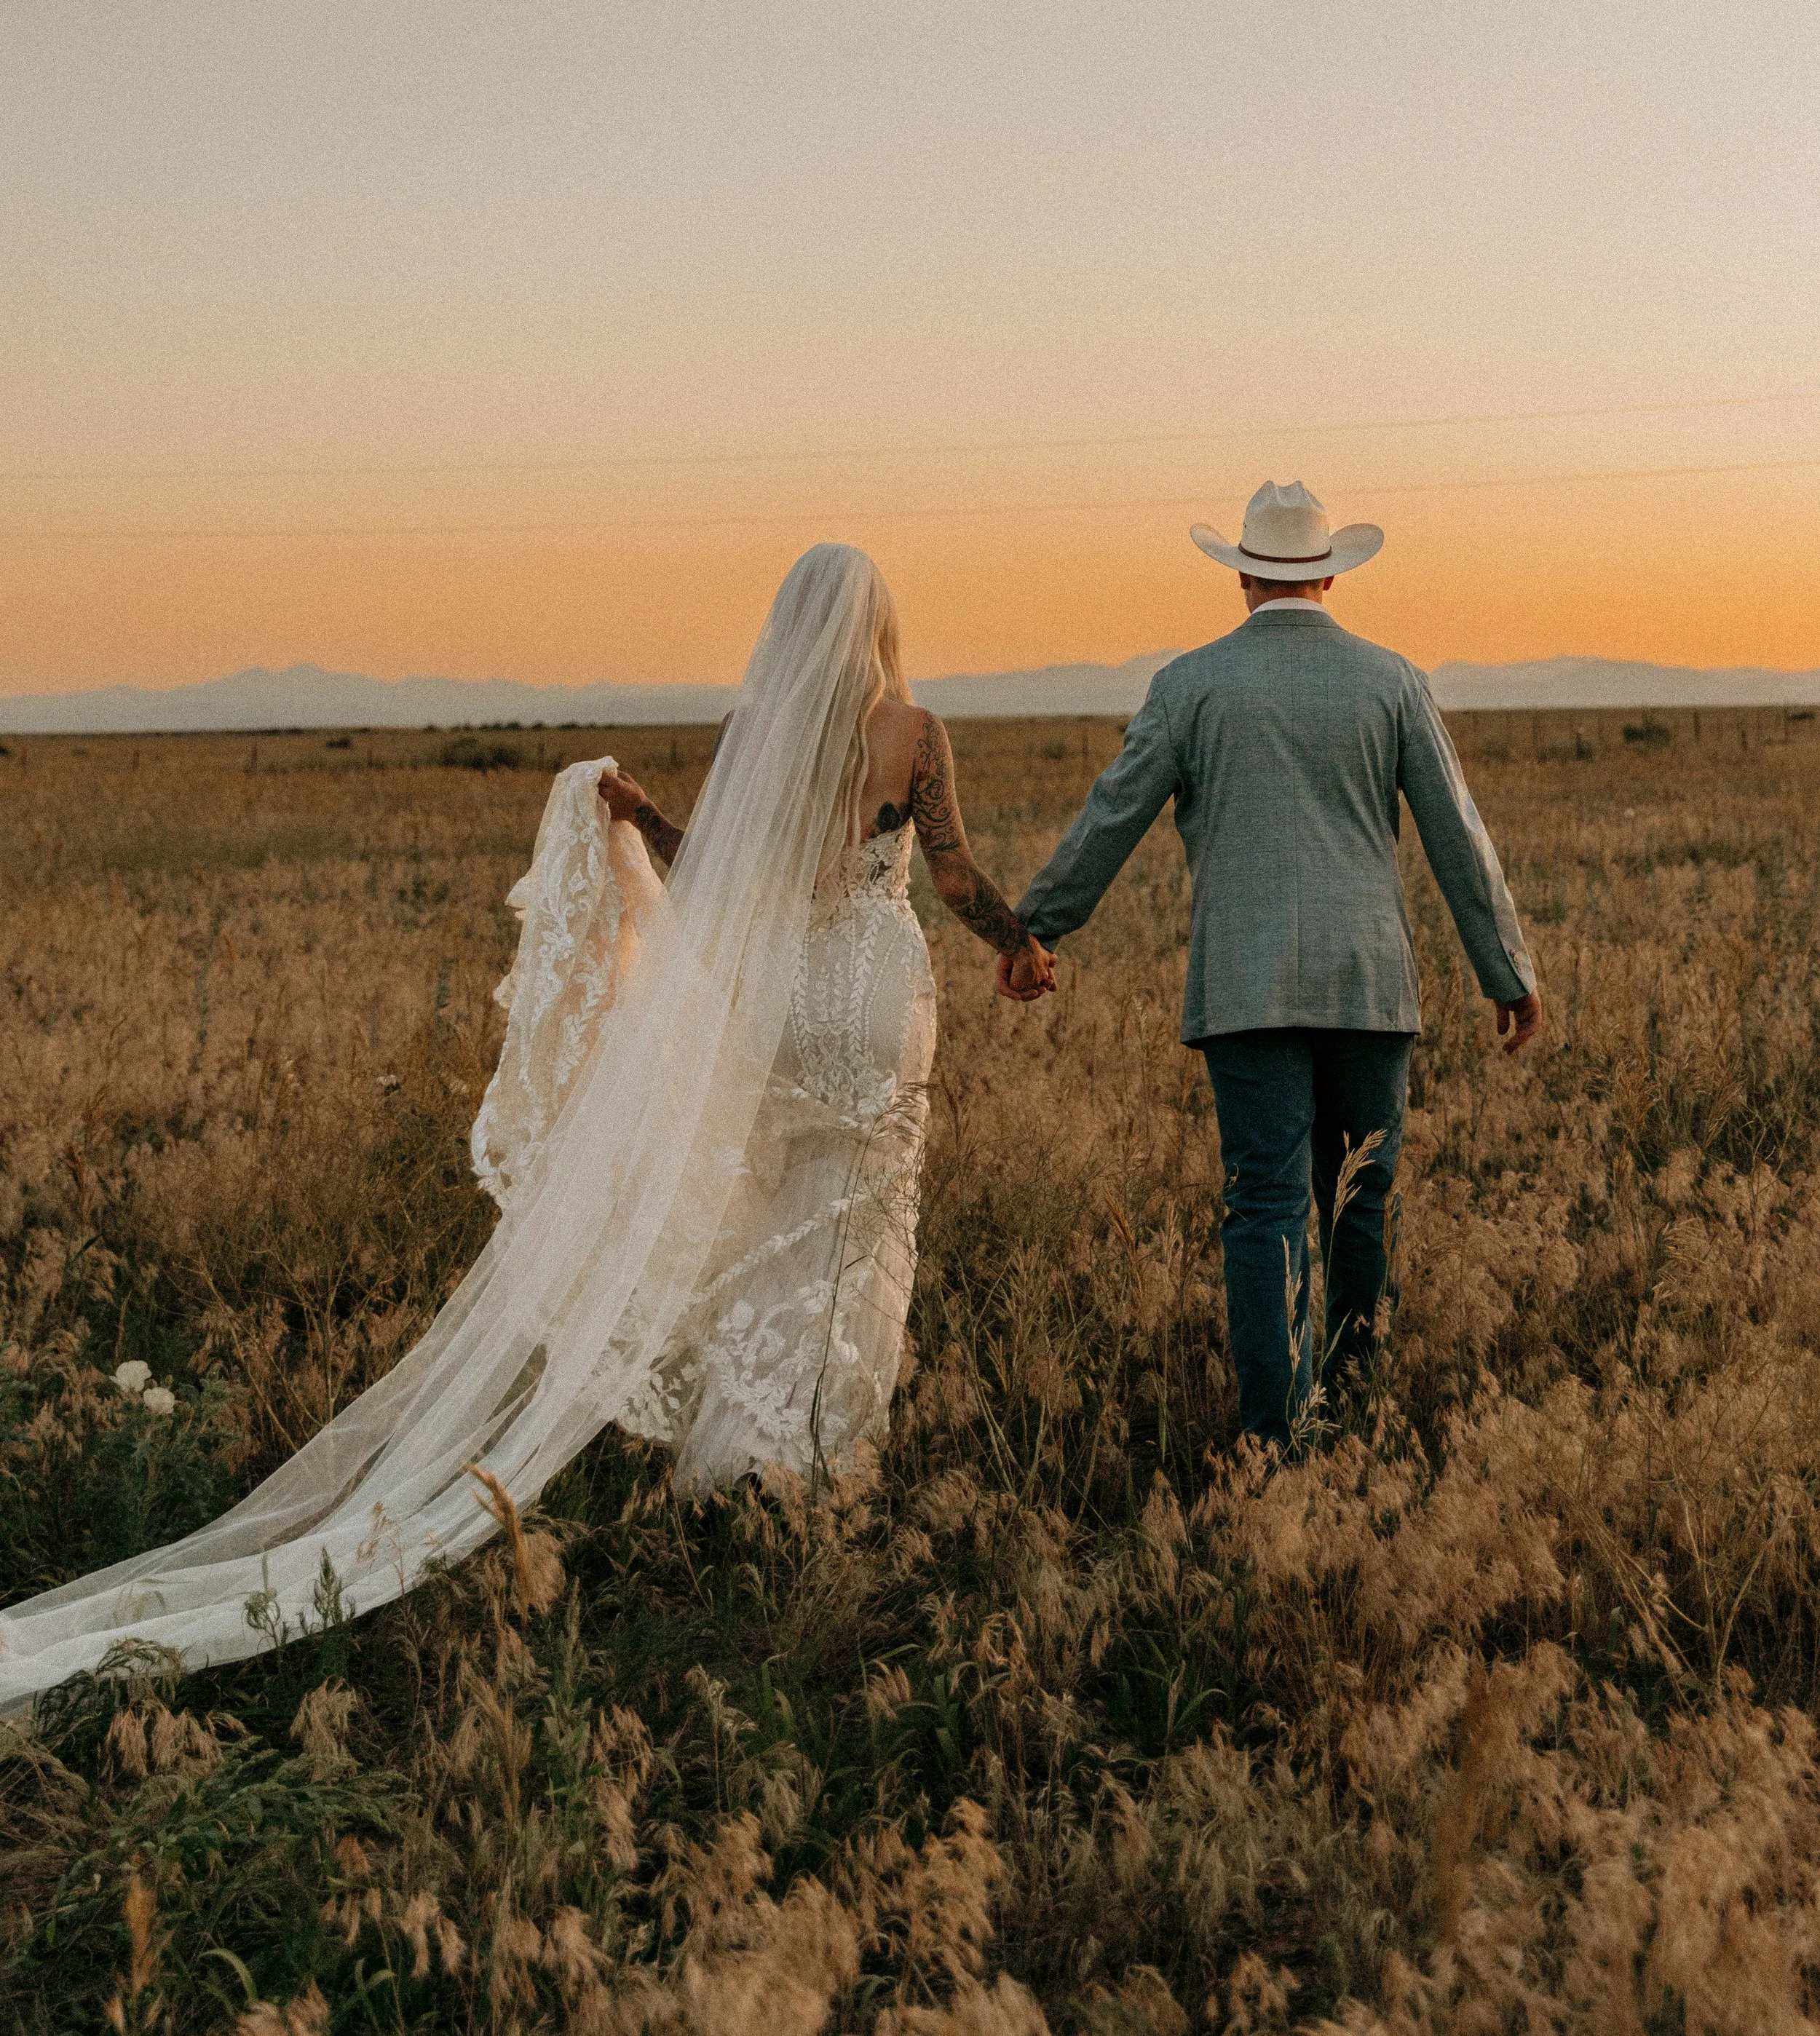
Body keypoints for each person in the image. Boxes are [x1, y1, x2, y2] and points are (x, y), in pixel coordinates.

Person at [0, 544, 1050, 1714]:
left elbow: (718, 876)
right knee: (860, 1224)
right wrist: (1018, 944)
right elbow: (952, 878)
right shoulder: (912, 733)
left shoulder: (757, 729)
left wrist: (645, 817)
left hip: (783, 1004)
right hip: (875, 995)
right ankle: (822, 1460)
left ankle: (745, 1461)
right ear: (878, 624)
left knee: (770, 1216)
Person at [1005, 480, 1541, 1450]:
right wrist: (1505, 967)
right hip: (1368, 982)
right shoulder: (1392, 681)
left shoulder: (1189, 685)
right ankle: (1356, 1411)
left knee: (1265, 1207)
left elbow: (1111, 816)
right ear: (1330, 575)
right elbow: (1457, 836)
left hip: (1246, 987)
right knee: (1361, 1200)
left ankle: (1273, 1441)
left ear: (1243, 576)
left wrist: (1036, 929)